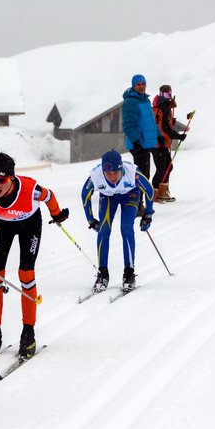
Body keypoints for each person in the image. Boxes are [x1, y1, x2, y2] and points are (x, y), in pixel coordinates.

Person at [0, 152, 68, 360]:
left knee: (26, 272)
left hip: (29, 224)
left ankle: (28, 333)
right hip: (2, 224)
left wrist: (57, 214)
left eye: (2, 180)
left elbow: (49, 196)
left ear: (12, 178)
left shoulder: (30, 190)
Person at [81, 150, 154, 293]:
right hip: (108, 197)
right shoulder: (95, 175)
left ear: (121, 168)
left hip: (130, 195)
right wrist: (90, 219)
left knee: (126, 228)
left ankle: (129, 273)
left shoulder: (132, 173)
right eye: (108, 174)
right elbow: (85, 195)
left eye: (116, 173)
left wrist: (148, 214)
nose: (112, 177)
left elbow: (149, 190)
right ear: (103, 171)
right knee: (104, 229)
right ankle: (102, 273)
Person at [151, 85, 188, 202]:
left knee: (167, 167)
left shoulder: (158, 107)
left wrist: (173, 121)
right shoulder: (164, 109)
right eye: (164, 94)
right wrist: (179, 136)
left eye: (168, 94)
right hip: (159, 143)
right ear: (160, 94)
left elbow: (164, 125)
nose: (167, 97)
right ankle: (154, 194)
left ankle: (162, 192)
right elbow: (166, 128)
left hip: (159, 143)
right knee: (161, 169)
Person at [121, 74, 158, 179]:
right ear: (133, 85)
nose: (141, 87)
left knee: (145, 176)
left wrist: (158, 135)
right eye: (138, 84)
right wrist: (136, 141)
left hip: (146, 144)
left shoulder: (146, 100)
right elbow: (128, 125)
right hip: (138, 145)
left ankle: (141, 195)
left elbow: (151, 122)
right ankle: (137, 196)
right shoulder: (131, 102)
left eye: (143, 84)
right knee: (141, 177)